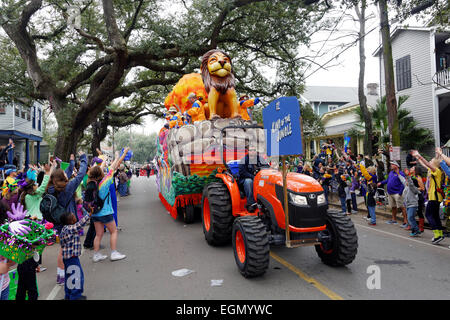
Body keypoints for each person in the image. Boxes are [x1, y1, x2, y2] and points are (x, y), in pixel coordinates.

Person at [46, 151, 87, 285]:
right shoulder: (68, 188)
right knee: (67, 251)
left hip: (57, 221)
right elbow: (81, 174)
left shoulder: (51, 188)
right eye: (64, 173)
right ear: (61, 178)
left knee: (63, 248)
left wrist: (71, 162)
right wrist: (83, 158)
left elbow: (70, 173)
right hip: (67, 221)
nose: (66, 173)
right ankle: (66, 277)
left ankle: (61, 275)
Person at [91, 148, 129, 262]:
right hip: (105, 212)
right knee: (113, 231)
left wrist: (102, 161)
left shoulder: (91, 182)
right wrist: (117, 157)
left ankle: (96, 255)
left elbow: (97, 170)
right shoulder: (106, 182)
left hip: (95, 212)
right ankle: (113, 253)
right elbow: (113, 167)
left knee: (98, 234)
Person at [413, 149, 445, 244]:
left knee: (428, 215)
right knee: (435, 216)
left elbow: (426, 164)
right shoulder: (433, 170)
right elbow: (424, 164)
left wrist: (420, 156)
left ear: (434, 164)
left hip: (434, 197)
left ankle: (437, 235)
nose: (430, 162)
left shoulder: (437, 171)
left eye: (431, 161)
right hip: (435, 197)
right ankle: (439, 233)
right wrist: (418, 158)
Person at [59, 207, 92, 300]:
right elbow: (79, 225)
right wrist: (88, 215)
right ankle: (75, 296)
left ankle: (69, 296)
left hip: (68, 258)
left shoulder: (64, 229)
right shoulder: (69, 229)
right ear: (69, 221)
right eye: (73, 217)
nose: (75, 217)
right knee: (77, 276)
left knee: (70, 277)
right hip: (72, 258)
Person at [238, 145, 269, 212]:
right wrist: (253, 177)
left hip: (258, 177)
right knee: (249, 182)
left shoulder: (259, 158)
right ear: (248, 151)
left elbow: (266, 166)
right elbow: (242, 172)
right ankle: (251, 204)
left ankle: (266, 202)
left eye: (254, 150)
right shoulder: (244, 160)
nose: (253, 152)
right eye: (251, 150)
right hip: (246, 179)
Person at [378, 161, 407, 226]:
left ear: (396, 166)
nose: (391, 165)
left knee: (402, 207)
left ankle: (406, 221)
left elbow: (403, 183)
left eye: (392, 164)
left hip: (397, 193)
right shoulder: (391, 172)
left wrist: (400, 192)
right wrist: (381, 183)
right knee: (393, 207)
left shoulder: (401, 173)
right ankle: (394, 219)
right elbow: (388, 180)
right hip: (390, 193)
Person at [400, 168, 421, 237]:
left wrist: (408, 176)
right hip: (408, 204)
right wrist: (398, 173)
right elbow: (403, 180)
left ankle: (416, 230)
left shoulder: (412, 187)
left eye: (409, 182)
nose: (407, 182)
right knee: (410, 218)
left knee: (410, 217)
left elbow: (411, 183)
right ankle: (415, 230)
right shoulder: (407, 187)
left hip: (413, 204)